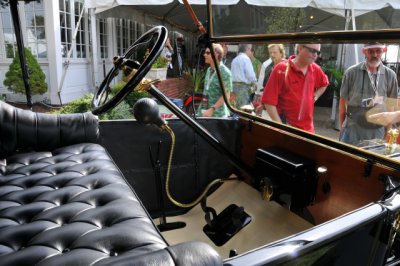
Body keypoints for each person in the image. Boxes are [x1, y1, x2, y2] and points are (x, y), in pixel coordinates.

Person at [339, 43, 399, 146]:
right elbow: (342, 103)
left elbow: (391, 108)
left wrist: (387, 134)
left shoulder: (390, 75)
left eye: (378, 51)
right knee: (348, 159)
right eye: (371, 51)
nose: (375, 54)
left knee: (371, 161)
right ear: (364, 51)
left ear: (384, 50)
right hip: (353, 129)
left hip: (377, 132)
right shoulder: (351, 72)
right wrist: (342, 128)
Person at [261, 44, 329, 133]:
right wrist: (280, 127)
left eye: (318, 52)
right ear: (300, 48)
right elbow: (268, 102)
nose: (315, 55)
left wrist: (315, 96)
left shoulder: (315, 69)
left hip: (308, 131)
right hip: (287, 128)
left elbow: (324, 84)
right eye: (312, 50)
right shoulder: (282, 68)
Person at [196, 44, 232, 118]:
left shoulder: (225, 72)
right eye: (205, 52)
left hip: (217, 115)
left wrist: (212, 109)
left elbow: (226, 96)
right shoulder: (209, 70)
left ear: (216, 54)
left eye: (208, 53)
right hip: (204, 112)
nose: (204, 55)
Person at [254, 44, 286, 115]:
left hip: (281, 108)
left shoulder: (285, 67)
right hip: (270, 106)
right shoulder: (269, 67)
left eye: (275, 52)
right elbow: (268, 88)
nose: (272, 55)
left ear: (281, 53)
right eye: (270, 53)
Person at [230, 44, 257, 109]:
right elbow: (250, 74)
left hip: (233, 87)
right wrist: (256, 83)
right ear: (247, 49)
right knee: (243, 109)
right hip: (242, 88)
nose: (251, 52)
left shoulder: (234, 59)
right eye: (250, 50)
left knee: (234, 108)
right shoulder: (246, 59)